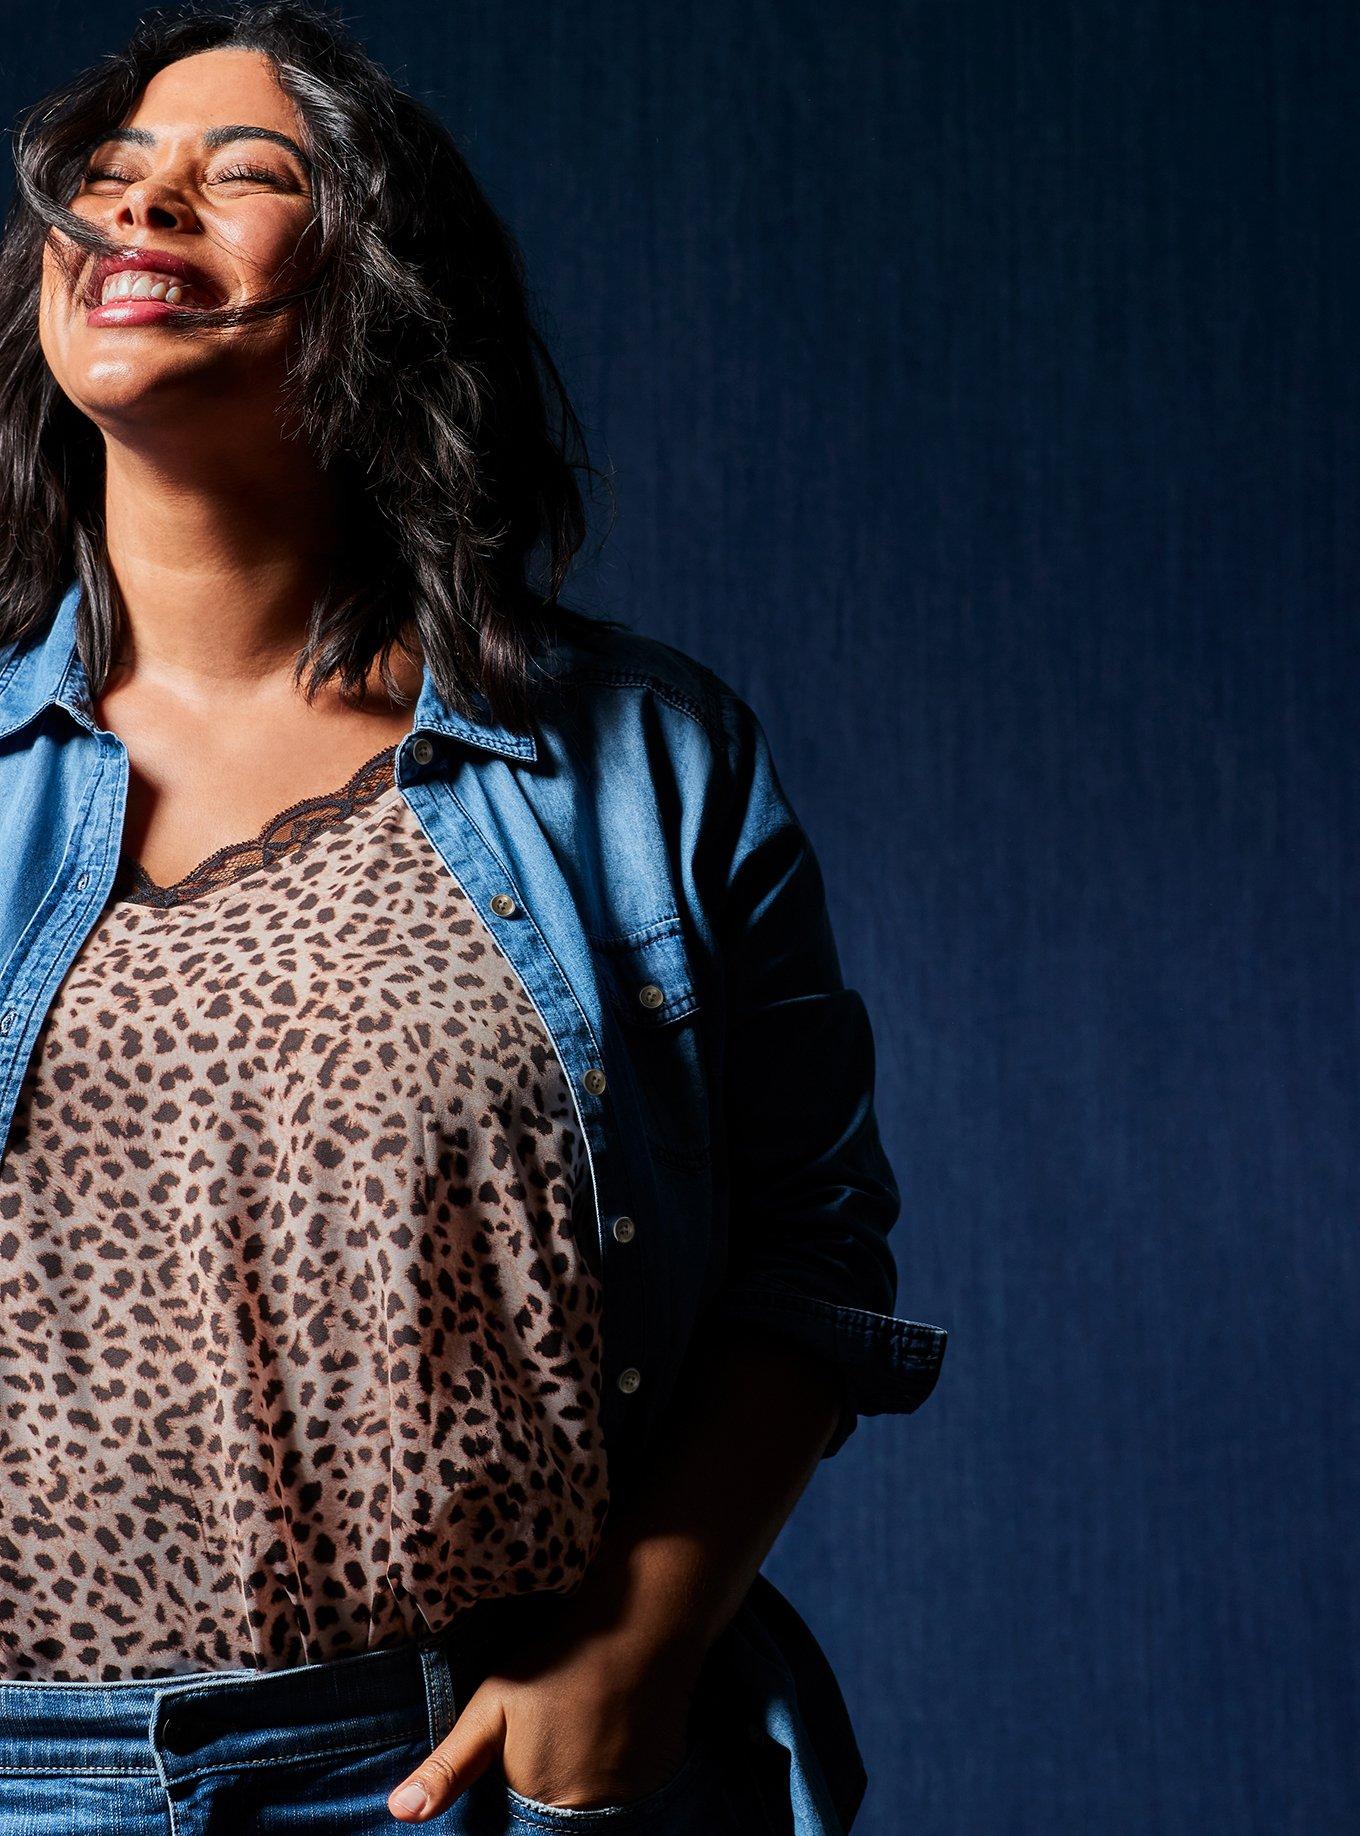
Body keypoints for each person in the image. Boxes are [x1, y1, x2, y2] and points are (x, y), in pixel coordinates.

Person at [0, 2, 947, 1831]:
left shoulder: (638, 761)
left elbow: (814, 1254)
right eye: (104, 182)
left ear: (381, 281)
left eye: (241, 172)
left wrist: (643, 1645)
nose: (143, 213)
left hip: (464, 1776)